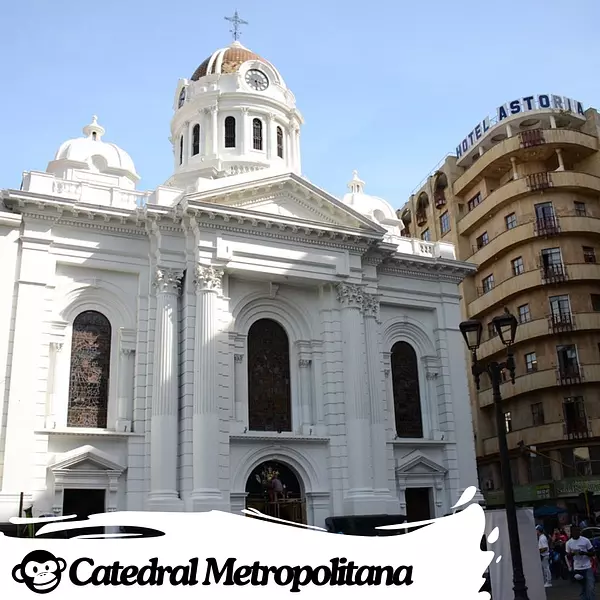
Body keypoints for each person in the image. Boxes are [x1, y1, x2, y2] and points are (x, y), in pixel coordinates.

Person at [566, 525, 596, 600]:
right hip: (577, 568)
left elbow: (592, 553)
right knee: (583, 588)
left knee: (590, 587)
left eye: (578, 531)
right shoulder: (568, 543)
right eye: (575, 531)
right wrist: (572, 554)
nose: (577, 532)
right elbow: (567, 556)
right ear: (572, 532)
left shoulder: (585, 540)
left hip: (587, 567)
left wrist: (584, 553)